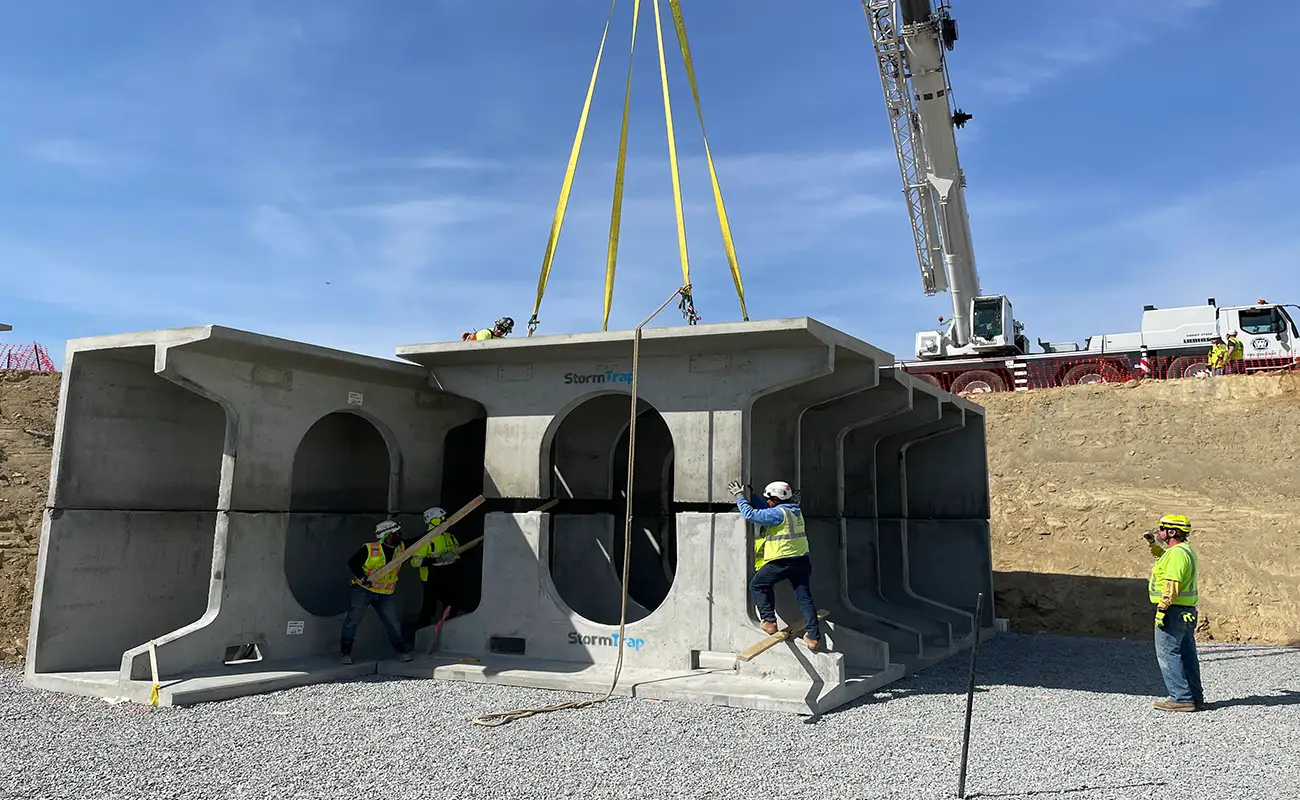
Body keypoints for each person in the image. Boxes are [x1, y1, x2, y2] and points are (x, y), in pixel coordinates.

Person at [727, 478, 821, 650]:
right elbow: (765, 508)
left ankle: (769, 621)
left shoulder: (777, 514)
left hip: (783, 562)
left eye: (769, 499)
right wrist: (752, 495)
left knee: (758, 584)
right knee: (805, 599)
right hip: (801, 561)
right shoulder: (795, 511)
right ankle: (813, 637)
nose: (768, 502)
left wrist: (740, 497)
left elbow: (751, 515)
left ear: (776, 499)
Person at [1143, 513, 1203, 712]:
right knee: (1187, 655)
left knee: (1168, 654)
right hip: (1185, 611)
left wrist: (1162, 609)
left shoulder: (1177, 554)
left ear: (1172, 532)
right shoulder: (1183, 551)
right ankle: (1194, 697)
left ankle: (1180, 698)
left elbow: (1172, 583)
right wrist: (1153, 545)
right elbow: (1165, 561)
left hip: (1172, 611)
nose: (1158, 532)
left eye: (1161, 529)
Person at [339, 519, 417, 664]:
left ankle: (401, 651)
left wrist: (437, 529)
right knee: (353, 621)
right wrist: (362, 577)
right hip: (363, 591)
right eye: (397, 533)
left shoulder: (400, 547)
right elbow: (353, 563)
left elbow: (416, 541)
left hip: (385, 594)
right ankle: (345, 652)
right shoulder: (370, 548)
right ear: (389, 535)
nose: (400, 535)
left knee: (392, 623)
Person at [410, 506, 464, 628]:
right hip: (431, 577)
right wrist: (436, 559)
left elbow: (457, 553)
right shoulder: (426, 539)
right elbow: (415, 562)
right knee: (429, 608)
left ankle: (450, 630)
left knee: (451, 605)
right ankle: (421, 631)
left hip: (448, 574)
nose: (445, 520)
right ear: (434, 520)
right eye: (442, 518)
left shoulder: (449, 536)